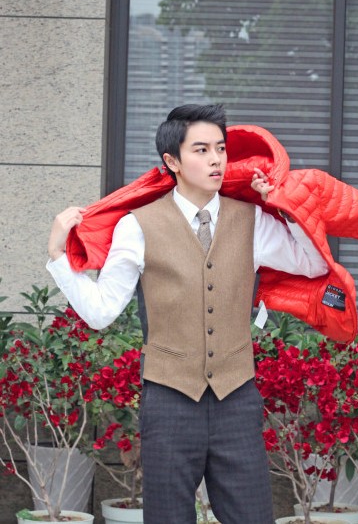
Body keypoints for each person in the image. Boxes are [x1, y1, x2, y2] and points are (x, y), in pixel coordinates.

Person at [47, 103, 329, 524]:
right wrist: (58, 256)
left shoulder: (252, 219)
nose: (216, 159)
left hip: (237, 397)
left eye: (220, 148)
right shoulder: (137, 225)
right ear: (172, 161)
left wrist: (285, 207)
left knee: (253, 516)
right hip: (169, 399)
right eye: (201, 150)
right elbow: (101, 311)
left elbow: (314, 264)